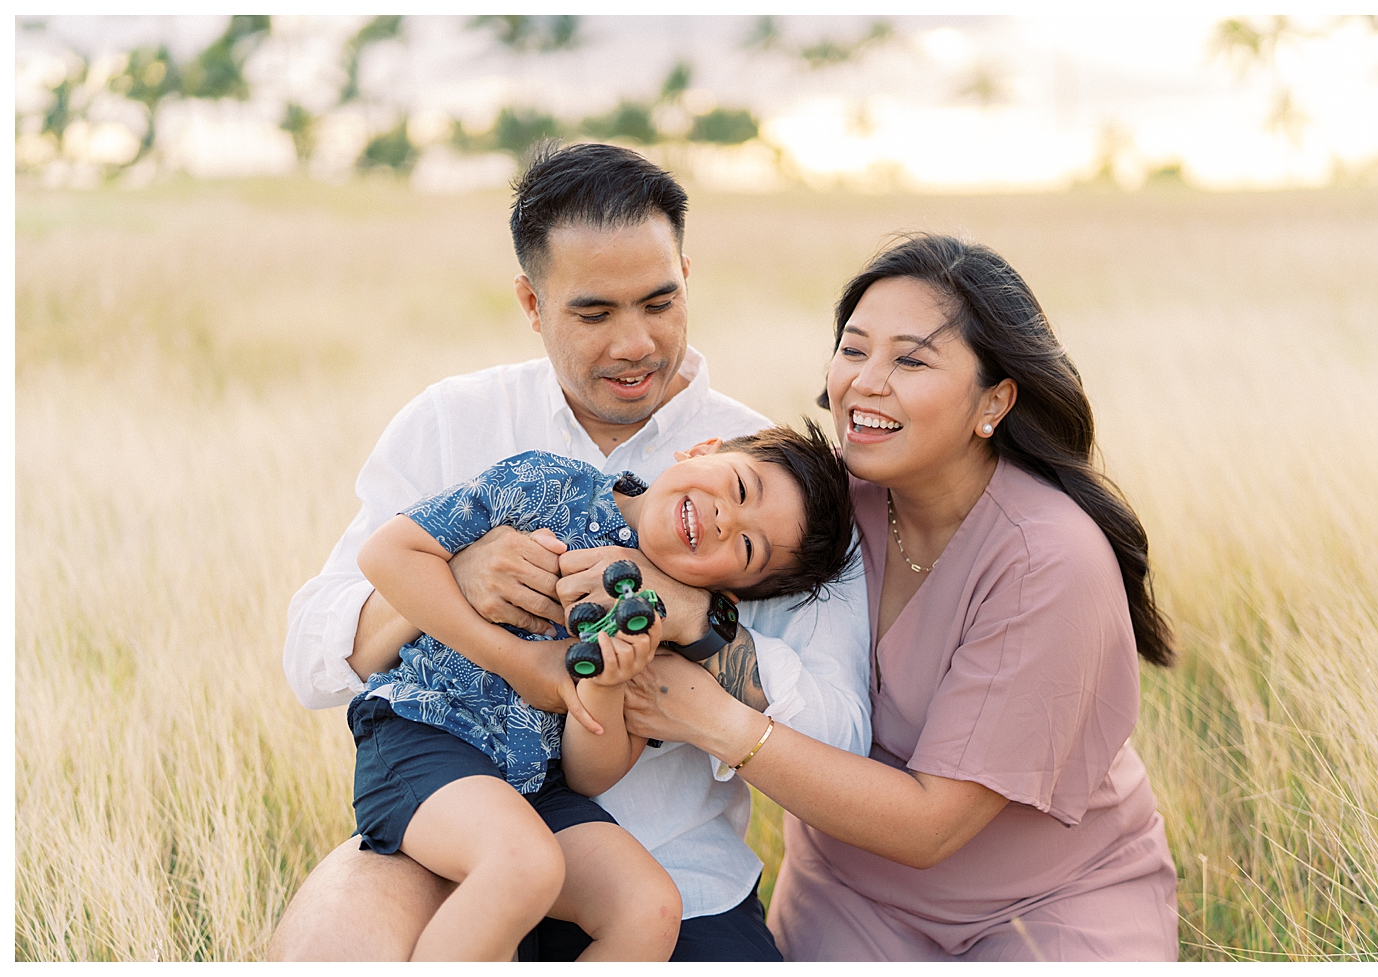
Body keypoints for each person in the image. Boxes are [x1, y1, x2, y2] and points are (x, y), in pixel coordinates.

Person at [270, 142, 871, 962]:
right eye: (595, 313)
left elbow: (843, 736)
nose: (634, 343)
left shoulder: (776, 490)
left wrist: (701, 621)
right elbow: (312, 657)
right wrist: (455, 582)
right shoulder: (458, 424)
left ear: (687, 274)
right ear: (531, 299)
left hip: (676, 879)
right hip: (452, 848)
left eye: (660, 302)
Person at [620, 234, 1181, 961]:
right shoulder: (819, 511)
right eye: (854, 350)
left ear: (995, 401)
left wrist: (718, 722)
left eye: (911, 359)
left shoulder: (1050, 559)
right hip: (850, 896)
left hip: (1048, 901)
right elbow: (668, 526)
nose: (865, 382)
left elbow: (930, 828)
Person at [347, 427, 854, 960]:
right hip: (428, 730)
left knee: (649, 907)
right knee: (521, 864)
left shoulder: (658, 620)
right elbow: (388, 553)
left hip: (536, 786)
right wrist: (515, 661)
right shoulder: (548, 483)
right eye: (740, 487)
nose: (727, 519)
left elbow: (590, 775)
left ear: (733, 589)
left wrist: (606, 687)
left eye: (748, 547)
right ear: (705, 449)